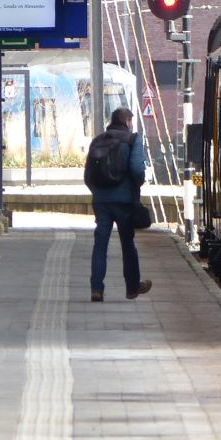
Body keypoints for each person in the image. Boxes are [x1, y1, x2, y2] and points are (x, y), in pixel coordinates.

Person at [85, 107, 151, 302]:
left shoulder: (98, 141)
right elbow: (137, 169)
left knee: (100, 244)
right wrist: (135, 187)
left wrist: (98, 193)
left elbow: (88, 175)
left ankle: (97, 289)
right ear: (127, 121)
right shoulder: (132, 140)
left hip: (101, 202)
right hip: (124, 202)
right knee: (127, 244)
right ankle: (132, 287)